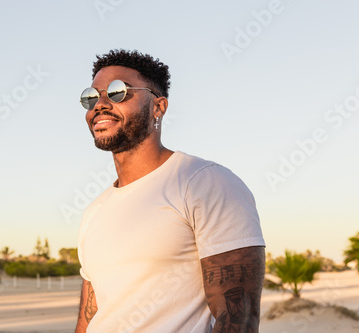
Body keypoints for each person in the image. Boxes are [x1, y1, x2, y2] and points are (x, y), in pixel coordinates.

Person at [75, 49, 265, 333]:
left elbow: (240, 319)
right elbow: (89, 318)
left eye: (117, 92)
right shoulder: (94, 211)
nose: (100, 105)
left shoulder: (204, 183)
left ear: (158, 107)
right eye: (91, 96)